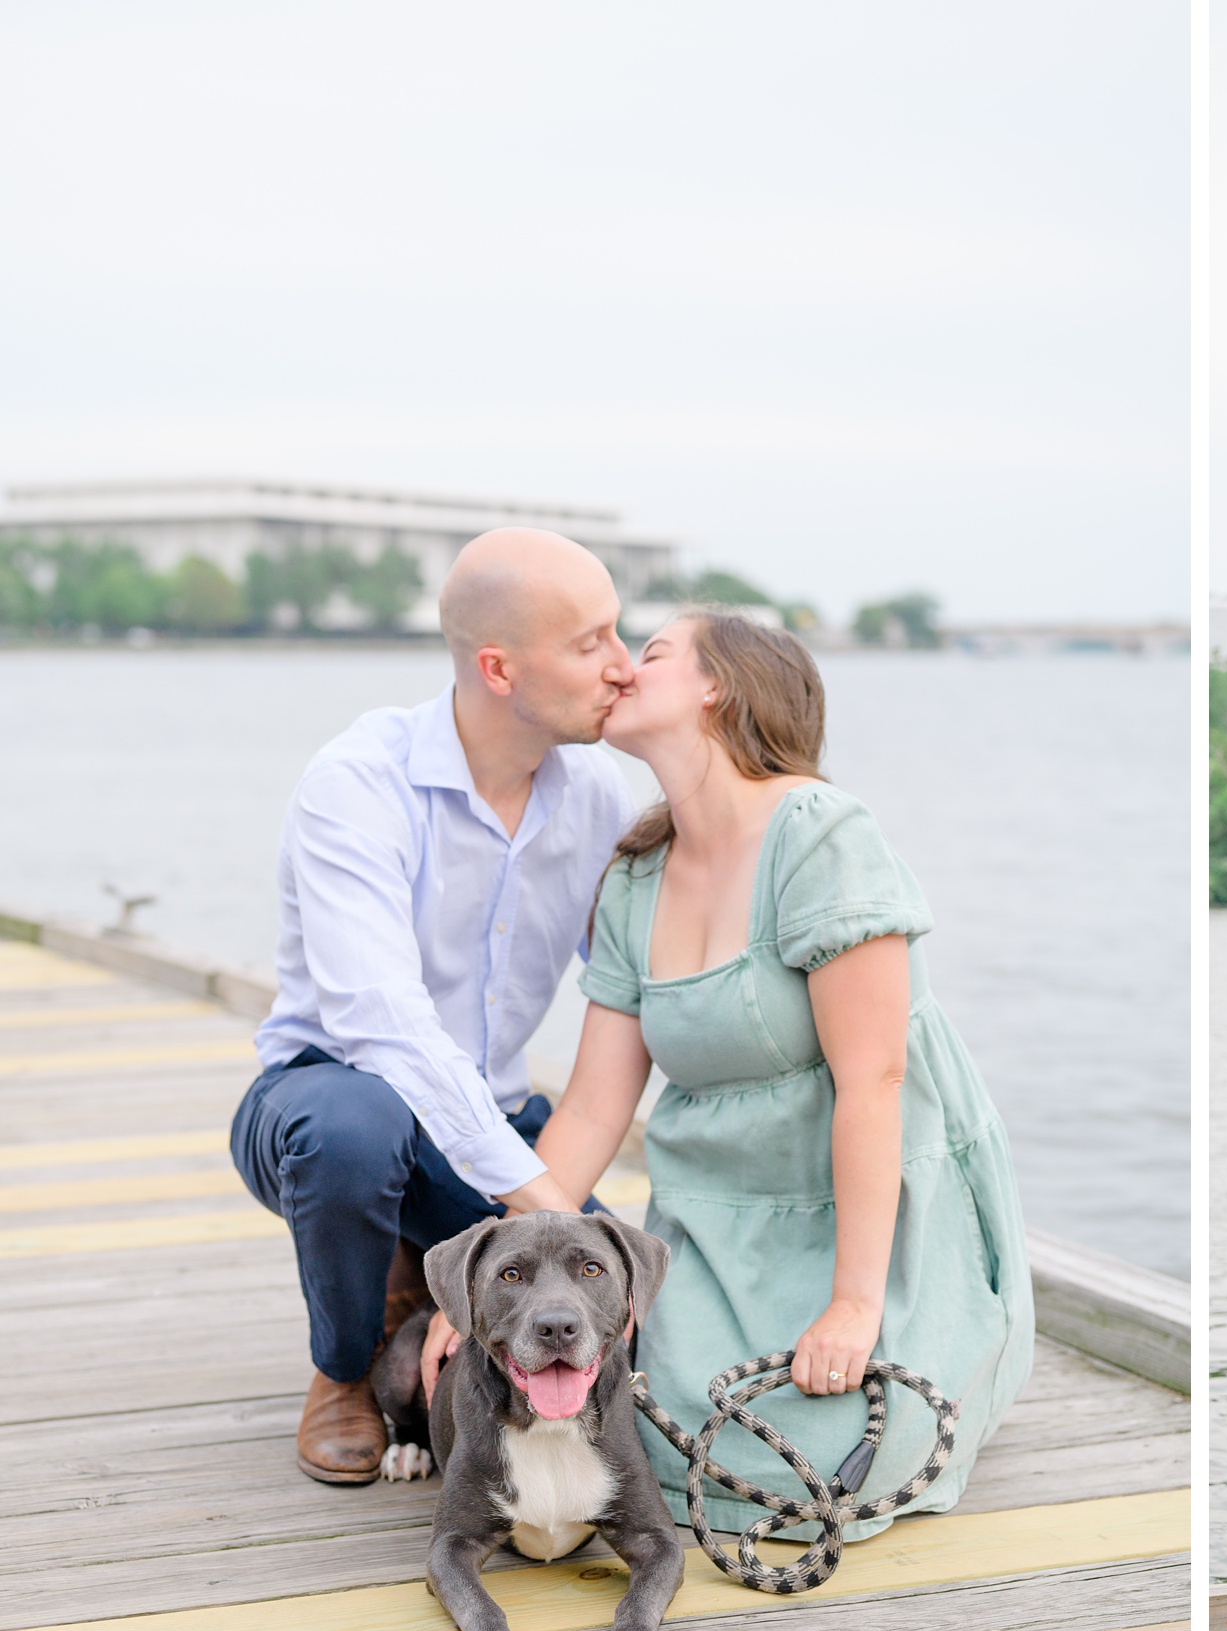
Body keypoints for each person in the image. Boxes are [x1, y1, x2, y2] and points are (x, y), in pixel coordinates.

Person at [514, 608, 1034, 1539]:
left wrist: (852, 1306)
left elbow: (874, 1084)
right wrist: (493, 1283)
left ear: (719, 684)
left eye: (655, 651)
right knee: (643, 1435)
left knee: (821, 1464)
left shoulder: (822, 836)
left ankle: (942, 1339)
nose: (625, 666)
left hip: (866, 1212)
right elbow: (594, 1105)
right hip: (712, 1230)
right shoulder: (636, 876)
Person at [230, 528, 638, 1484]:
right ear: (499, 667)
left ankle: (424, 1256)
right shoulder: (356, 784)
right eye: (592, 642)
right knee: (356, 1127)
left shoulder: (597, 794)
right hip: (325, 1103)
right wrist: (541, 1203)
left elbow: (631, 988)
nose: (622, 666)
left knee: (623, 1327)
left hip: (489, 1117)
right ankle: (341, 1369)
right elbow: (382, 1024)